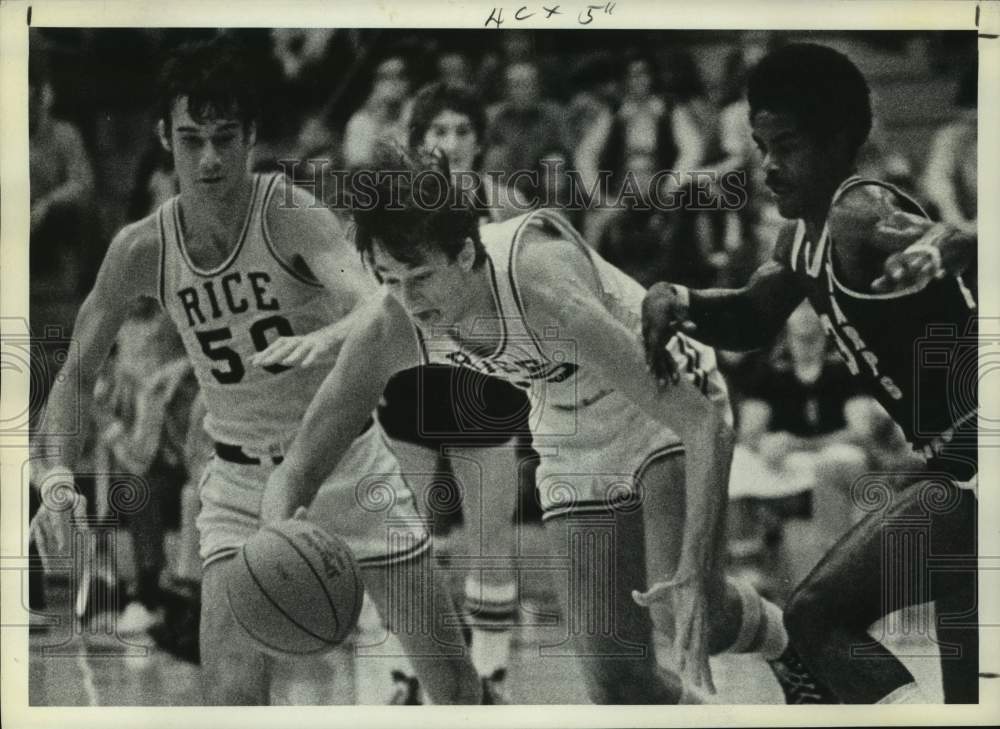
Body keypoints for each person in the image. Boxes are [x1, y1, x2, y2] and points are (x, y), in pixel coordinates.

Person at [30, 36, 485, 706]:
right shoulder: (142, 247)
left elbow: (378, 304)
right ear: (164, 137)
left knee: (453, 685)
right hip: (240, 485)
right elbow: (74, 374)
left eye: (224, 137)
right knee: (232, 699)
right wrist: (59, 480)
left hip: (346, 466)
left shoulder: (287, 213)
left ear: (250, 138)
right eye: (191, 138)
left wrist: (326, 336)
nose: (209, 157)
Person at [262, 141, 792, 704]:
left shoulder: (538, 278)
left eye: (418, 277)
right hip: (567, 422)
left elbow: (703, 423)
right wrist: (276, 541)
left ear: (465, 255)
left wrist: (693, 572)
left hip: (657, 396)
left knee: (689, 616)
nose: (407, 300)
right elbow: (298, 467)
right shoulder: (392, 324)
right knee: (618, 683)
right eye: (388, 280)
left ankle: (794, 641)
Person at [641, 42, 978, 704]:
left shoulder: (860, 209)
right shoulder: (799, 239)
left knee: (816, 612)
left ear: (837, 141)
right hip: (952, 460)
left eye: (786, 145)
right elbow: (752, 318)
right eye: (762, 145)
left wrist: (939, 249)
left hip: (978, 448)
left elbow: (945, 237)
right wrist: (680, 301)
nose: (769, 165)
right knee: (973, 698)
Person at [376, 81, 532, 701]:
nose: (450, 142)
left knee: (489, 538)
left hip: (483, 378)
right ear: (418, 141)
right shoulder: (389, 207)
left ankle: (490, 676)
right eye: (438, 131)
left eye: (463, 131)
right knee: (408, 541)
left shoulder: (510, 205)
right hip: (409, 378)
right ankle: (408, 674)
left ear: (480, 140)